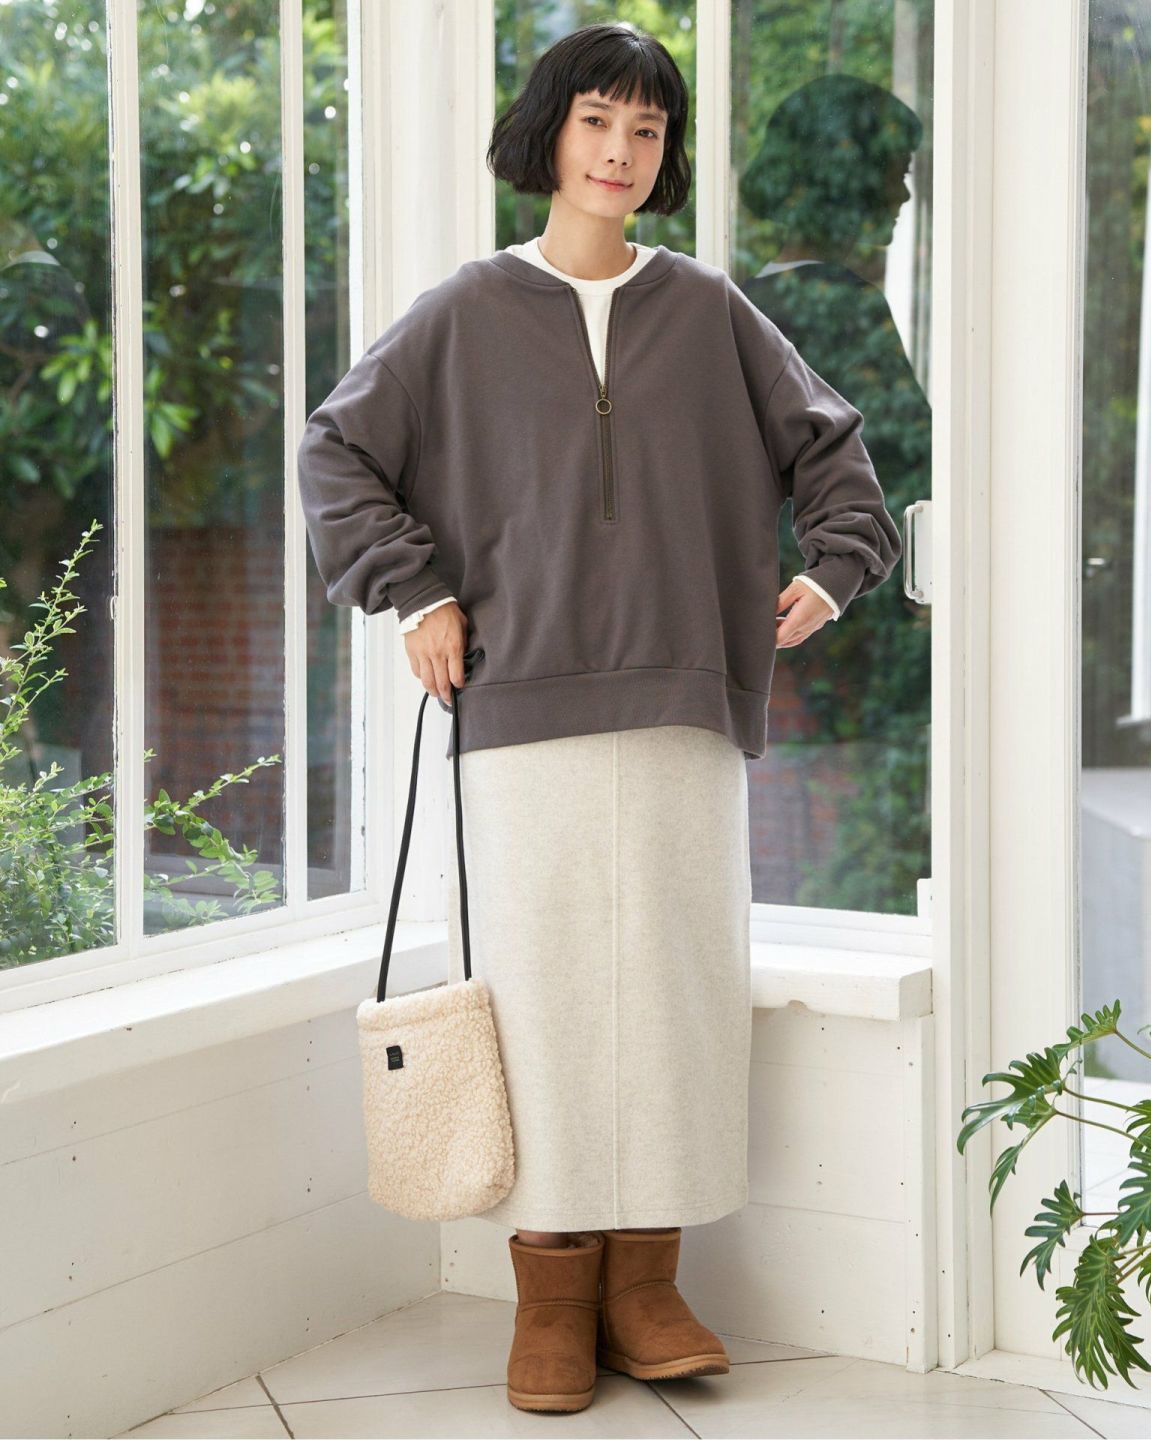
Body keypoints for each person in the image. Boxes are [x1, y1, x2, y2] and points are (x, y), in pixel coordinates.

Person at [297, 21, 901, 1416]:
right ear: (549, 134)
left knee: (676, 999)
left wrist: (830, 574)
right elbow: (337, 450)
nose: (621, 152)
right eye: (597, 122)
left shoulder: (710, 311)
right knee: (544, 1005)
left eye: (647, 129)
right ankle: (554, 1295)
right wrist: (415, 591)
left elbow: (838, 457)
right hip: (519, 711)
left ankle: (646, 1285)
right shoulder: (464, 311)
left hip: (688, 705)